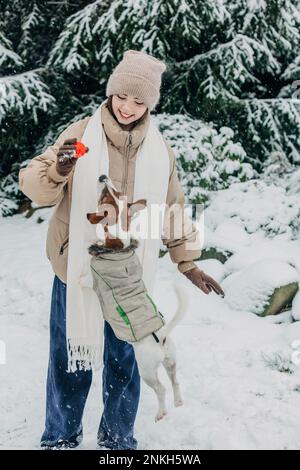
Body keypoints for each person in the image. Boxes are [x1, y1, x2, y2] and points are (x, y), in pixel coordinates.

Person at [18, 50, 224, 450]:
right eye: (121, 97)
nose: (128, 107)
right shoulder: (80, 134)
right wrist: (59, 171)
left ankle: (117, 440)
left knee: (125, 361)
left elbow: (173, 205)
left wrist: (187, 261)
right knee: (69, 359)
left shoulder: (160, 149)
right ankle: (60, 437)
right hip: (76, 267)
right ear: (111, 93)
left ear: (150, 103)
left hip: (131, 276)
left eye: (139, 100)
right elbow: (33, 186)